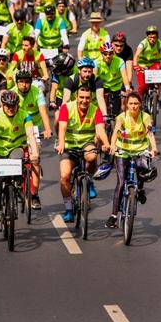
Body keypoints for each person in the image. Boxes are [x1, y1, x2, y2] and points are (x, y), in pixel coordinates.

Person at [0, 90, 40, 230]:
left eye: (13, 106)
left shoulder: (25, 116)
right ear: (3, 105)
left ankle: (18, 186)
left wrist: (34, 154)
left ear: (18, 104)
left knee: (18, 160)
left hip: (16, 148)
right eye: (7, 106)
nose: (10, 109)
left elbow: (31, 136)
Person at [55, 86, 110, 222]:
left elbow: (100, 129)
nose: (84, 100)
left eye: (87, 98)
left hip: (86, 143)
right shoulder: (66, 108)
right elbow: (62, 128)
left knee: (92, 157)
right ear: (76, 97)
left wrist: (106, 143)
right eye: (81, 97)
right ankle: (68, 209)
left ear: (90, 98)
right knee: (64, 176)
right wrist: (61, 143)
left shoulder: (95, 110)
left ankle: (89, 181)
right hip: (69, 145)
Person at [105, 92, 158, 228]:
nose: (133, 106)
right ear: (126, 105)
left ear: (140, 104)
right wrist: (112, 147)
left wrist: (154, 149)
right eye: (131, 104)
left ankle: (140, 190)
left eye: (136, 103)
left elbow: (150, 132)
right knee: (121, 182)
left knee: (143, 169)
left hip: (140, 150)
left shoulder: (145, 117)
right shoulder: (122, 117)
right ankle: (113, 216)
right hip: (123, 152)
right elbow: (115, 133)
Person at [11, 69, 51, 206]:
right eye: (21, 82)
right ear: (16, 83)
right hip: (17, 128)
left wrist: (47, 129)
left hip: (34, 127)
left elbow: (43, 111)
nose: (24, 85)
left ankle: (35, 195)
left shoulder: (36, 91)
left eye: (27, 82)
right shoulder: (12, 93)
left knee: (35, 159)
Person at [133, 25, 161, 98]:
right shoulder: (143, 43)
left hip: (154, 64)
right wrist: (135, 65)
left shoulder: (160, 43)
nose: (152, 39)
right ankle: (140, 100)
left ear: (157, 37)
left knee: (158, 79)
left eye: (154, 37)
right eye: (150, 37)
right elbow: (136, 55)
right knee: (142, 87)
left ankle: (157, 98)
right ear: (147, 37)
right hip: (142, 66)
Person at [95, 42, 131, 118]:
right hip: (103, 87)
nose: (108, 56)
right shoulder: (96, 62)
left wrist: (127, 88)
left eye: (110, 53)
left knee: (118, 111)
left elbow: (124, 76)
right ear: (101, 54)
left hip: (116, 87)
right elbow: (94, 77)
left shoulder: (120, 61)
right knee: (100, 108)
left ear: (113, 53)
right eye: (105, 54)